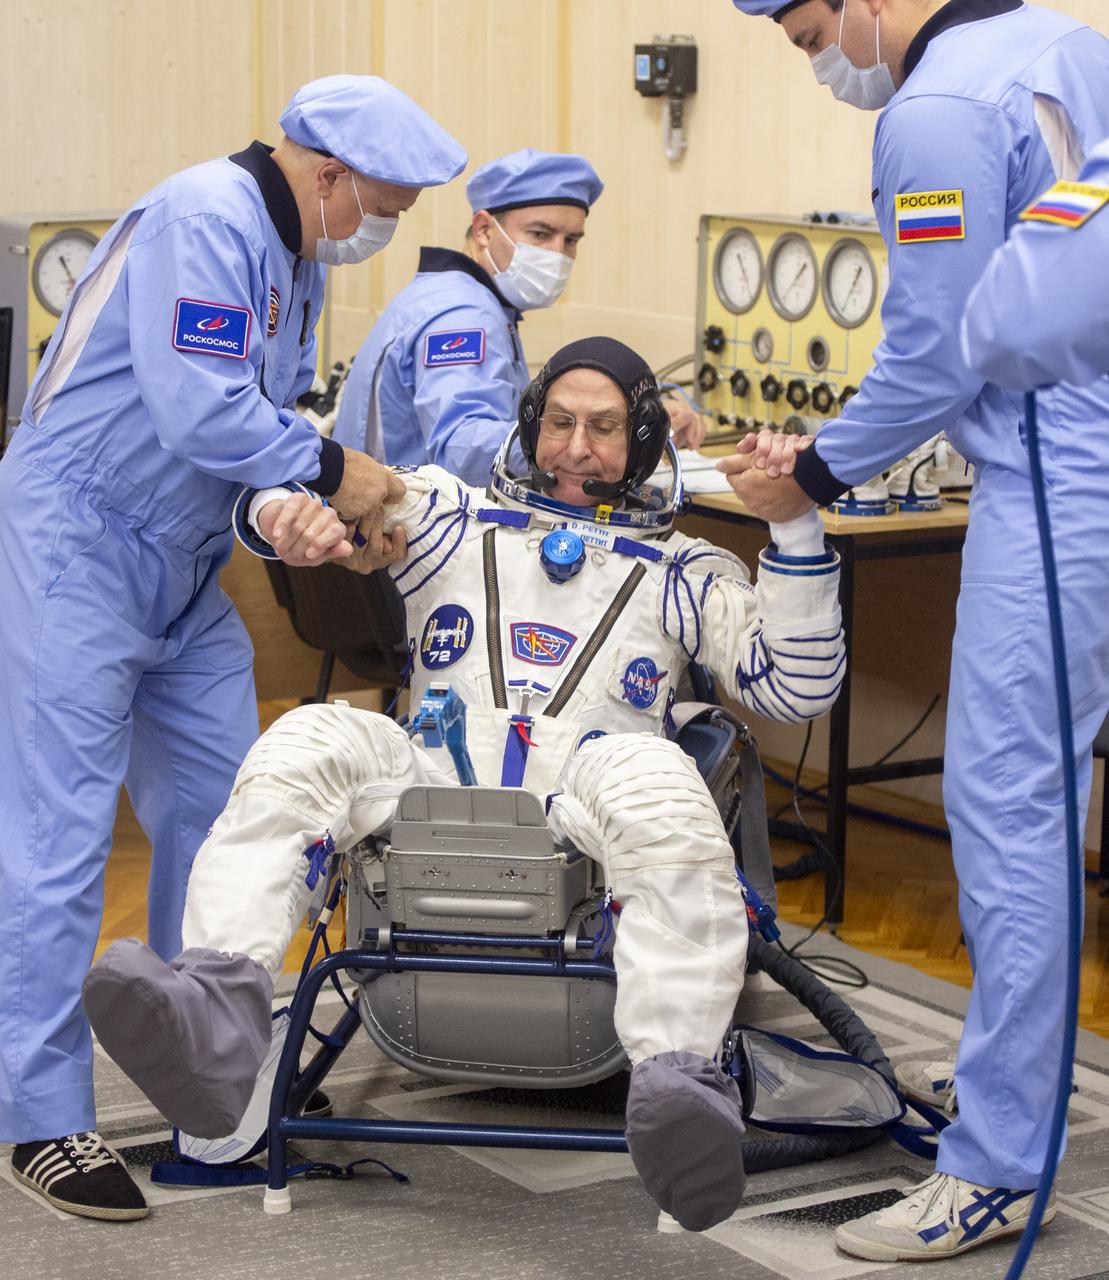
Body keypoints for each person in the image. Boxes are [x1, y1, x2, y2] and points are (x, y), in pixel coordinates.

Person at [82, 337, 845, 1232]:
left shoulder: (685, 568)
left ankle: (678, 1085)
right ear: (530, 423)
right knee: (306, 737)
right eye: (558, 422)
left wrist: (794, 526)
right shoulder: (450, 514)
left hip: (587, 797)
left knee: (657, 777)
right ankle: (216, 1012)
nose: (574, 449)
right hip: (427, 780)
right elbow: (331, 493)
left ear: (641, 443)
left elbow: (797, 688)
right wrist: (285, 518)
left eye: (603, 429)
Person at [0, 74, 466, 1221]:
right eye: (387, 207)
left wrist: (302, 520)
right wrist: (331, 471)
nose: (386, 230)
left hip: (184, 565)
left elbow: (244, 450)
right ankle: (39, 1118)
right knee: (58, 842)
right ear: (325, 174)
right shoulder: (205, 215)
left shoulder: (294, 258)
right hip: (78, 550)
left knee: (228, 820)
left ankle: (203, 1087)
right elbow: (201, 408)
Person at [728, 0, 1109, 1262]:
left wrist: (813, 477)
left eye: (803, 36)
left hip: (1062, 470)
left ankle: (998, 1163)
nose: (817, 63)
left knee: (1008, 806)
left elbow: (938, 352)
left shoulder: (937, 106)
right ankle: (1014, 1103)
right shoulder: (1069, 45)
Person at [332, 148, 705, 484]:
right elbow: (462, 449)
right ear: (483, 230)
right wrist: (607, 438)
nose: (558, 254)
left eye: (571, 240)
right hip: (409, 542)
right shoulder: (462, 316)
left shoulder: (469, 299)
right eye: (541, 234)